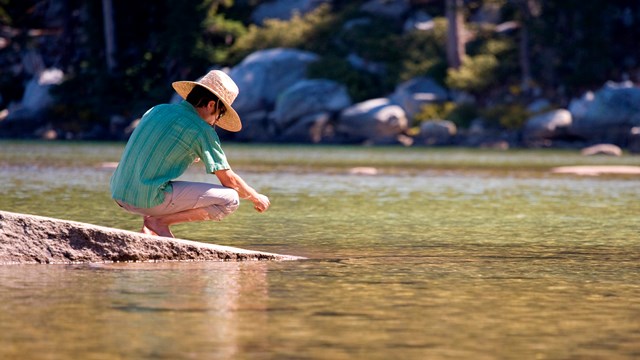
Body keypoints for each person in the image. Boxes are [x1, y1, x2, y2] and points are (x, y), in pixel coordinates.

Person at [110, 70, 270, 238]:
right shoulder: (202, 130)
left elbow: (147, 159)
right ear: (211, 105)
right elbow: (229, 180)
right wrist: (255, 196)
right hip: (145, 200)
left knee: (154, 175)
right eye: (220, 114)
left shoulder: (157, 110)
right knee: (230, 199)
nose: (216, 121)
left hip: (119, 193)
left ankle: (149, 225)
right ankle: (159, 223)